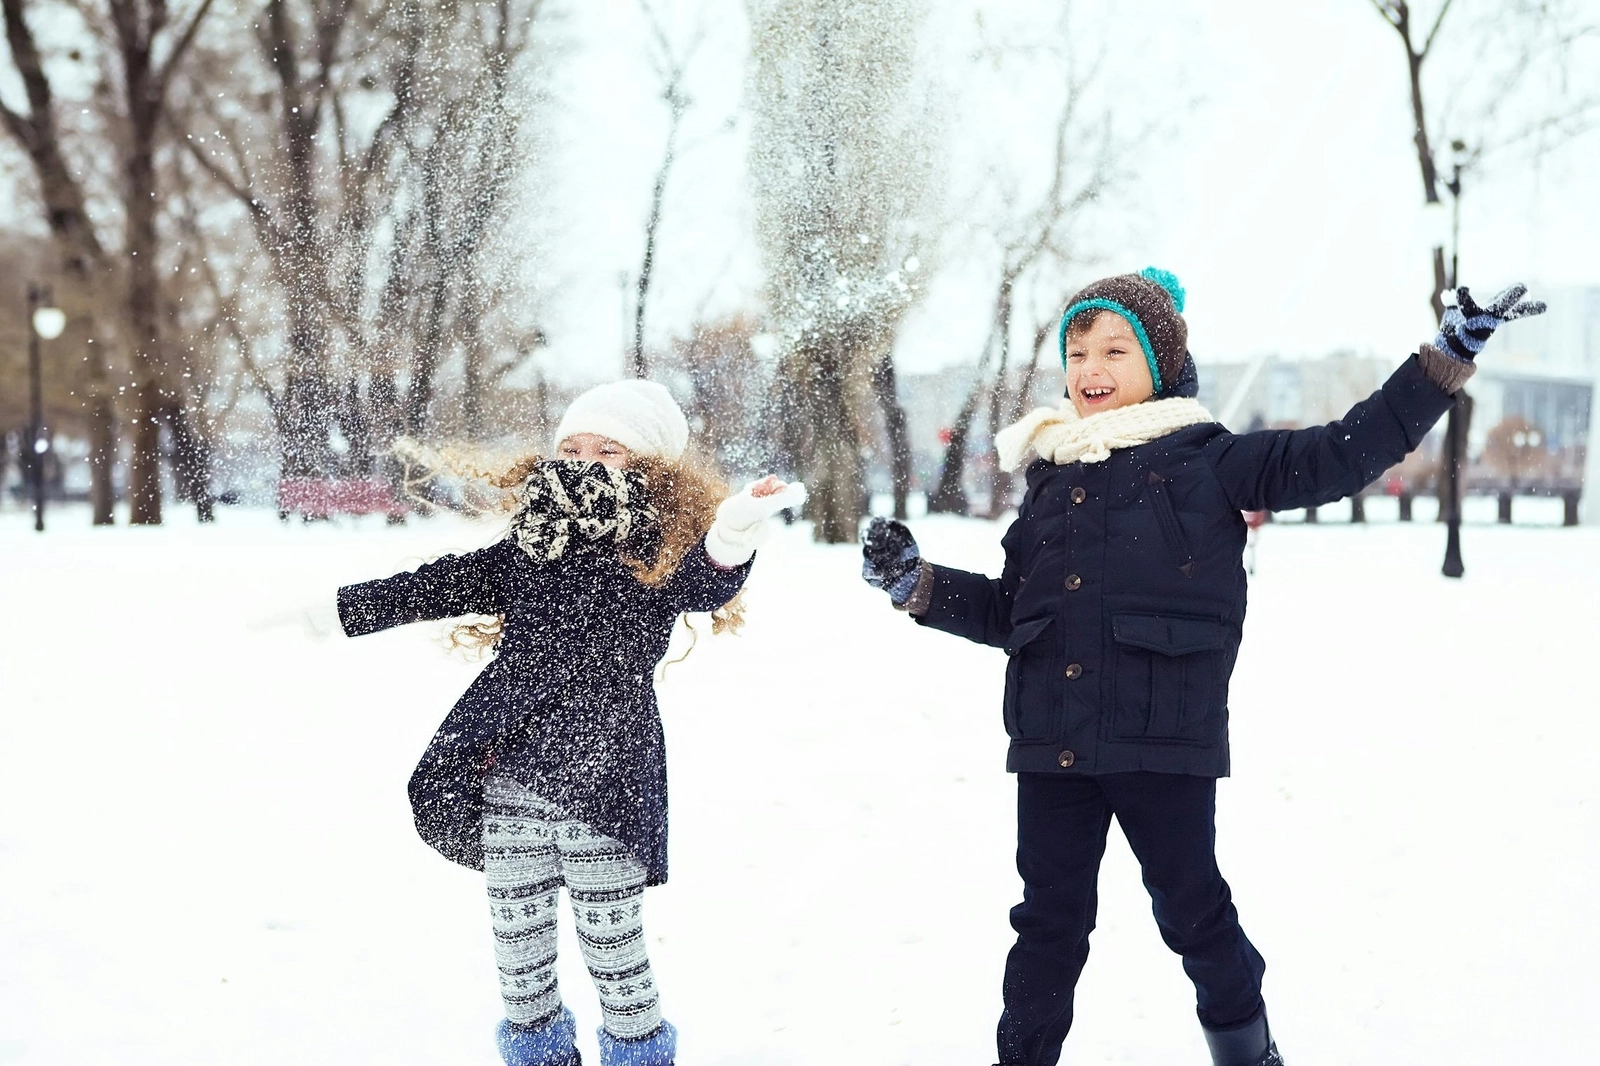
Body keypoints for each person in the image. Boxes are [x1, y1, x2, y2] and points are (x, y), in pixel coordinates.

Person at [859, 270, 1544, 1066]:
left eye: (1115, 347)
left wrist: (1444, 358)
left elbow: (1342, 453)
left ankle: (1250, 1054)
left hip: (1161, 738)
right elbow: (1015, 615)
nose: (1091, 367)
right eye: (1078, 350)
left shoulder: (1212, 463)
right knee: (1047, 927)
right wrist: (919, 585)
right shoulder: (1050, 485)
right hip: (1055, 744)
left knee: (1193, 914)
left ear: (1161, 361)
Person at [333, 380, 804, 1066]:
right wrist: (341, 610)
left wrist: (732, 531)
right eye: (571, 446)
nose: (583, 460)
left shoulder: (658, 550)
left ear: (649, 468)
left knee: (614, 953)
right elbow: (434, 585)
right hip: (512, 777)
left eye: (608, 449)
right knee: (519, 961)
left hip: (607, 785)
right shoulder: (529, 548)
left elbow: (708, 582)